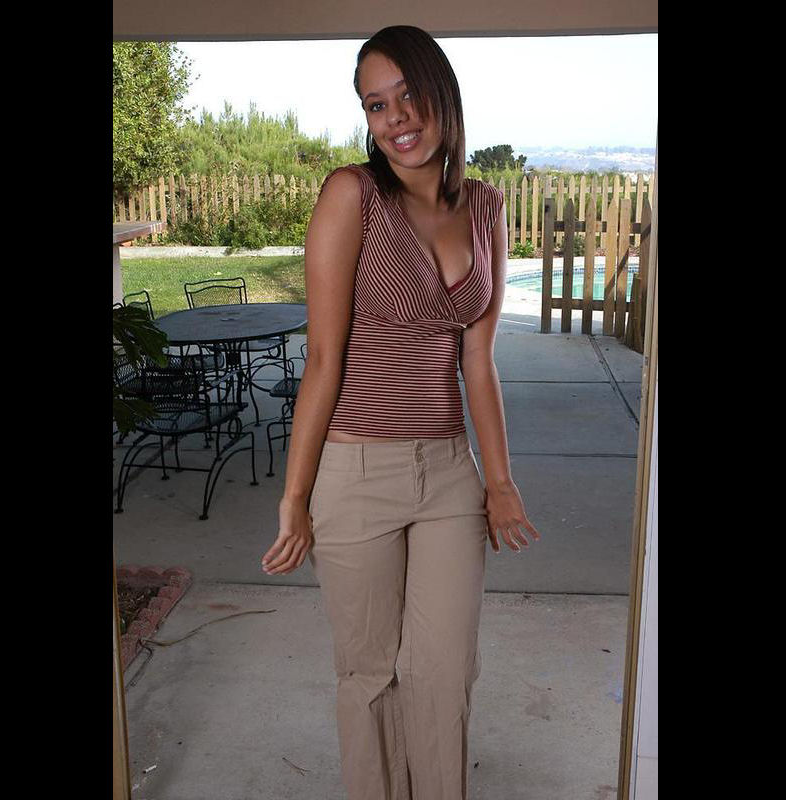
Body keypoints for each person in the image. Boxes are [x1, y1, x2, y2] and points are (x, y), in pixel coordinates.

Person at [260, 24, 541, 800]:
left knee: (445, 673)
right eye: (375, 105)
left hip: (449, 473)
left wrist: (499, 481)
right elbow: (324, 358)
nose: (396, 119)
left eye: (407, 95)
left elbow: (478, 361)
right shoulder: (352, 195)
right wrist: (296, 497)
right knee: (369, 674)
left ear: (441, 93)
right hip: (355, 474)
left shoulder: (486, 206)